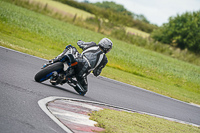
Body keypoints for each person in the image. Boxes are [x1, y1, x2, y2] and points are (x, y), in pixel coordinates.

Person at [47, 38, 113, 96]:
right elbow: (96, 73)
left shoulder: (92, 44)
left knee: (70, 47)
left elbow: (79, 43)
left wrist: (80, 41)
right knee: (83, 91)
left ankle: (54, 60)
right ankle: (68, 79)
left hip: (78, 61)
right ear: (107, 48)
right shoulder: (105, 60)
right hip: (82, 73)